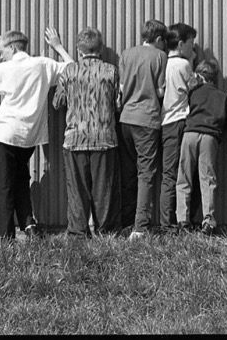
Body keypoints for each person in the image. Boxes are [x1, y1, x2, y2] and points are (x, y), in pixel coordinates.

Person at [0, 29, 69, 241]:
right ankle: (28, 225)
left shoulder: (4, 68)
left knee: (5, 185)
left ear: (13, 48)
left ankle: (6, 237)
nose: (1, 55)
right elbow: (72, 68)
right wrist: (58, 46)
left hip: (7, 133)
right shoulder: (43, 64)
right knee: (21, 179)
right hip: (30, 136)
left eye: (3, 50)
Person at [47, 27, 122, 237]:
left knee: (77, 191)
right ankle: (105, 232)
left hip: (75, 139)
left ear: (79, 51)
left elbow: (57, 102)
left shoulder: (69, 71)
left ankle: (78, 234)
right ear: (100, 49)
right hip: (105, 138)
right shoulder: (111, 71)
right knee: (104, 190)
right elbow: (118, 105)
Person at [117, 19, 168, 239]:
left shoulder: (126, 54)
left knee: (128, 171)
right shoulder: (159, 56)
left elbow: (120, 89)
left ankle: (127, 221)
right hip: (147, 119)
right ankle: (140, 227)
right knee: (146, 173)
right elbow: (159, 90)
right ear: (158, 39)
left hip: (125, 118)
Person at [176, 60, 227, 235]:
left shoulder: (193, 92)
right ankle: (208, 222)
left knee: (184, 179)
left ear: (200, 76)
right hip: (210, 137)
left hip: (190, 134)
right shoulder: (221, 96)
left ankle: (183, 222)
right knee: (207, 180)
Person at [160, 26, 195, 232]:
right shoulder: (182, 64)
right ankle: (169, 223)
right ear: (181, 44)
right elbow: (193, 87)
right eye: (191, 43)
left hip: (164, 122)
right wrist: (191, 60)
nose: (193, 47)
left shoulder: (161, 61)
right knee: (175, 173)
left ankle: (168, 220)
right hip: (179, 121)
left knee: (168, 172)